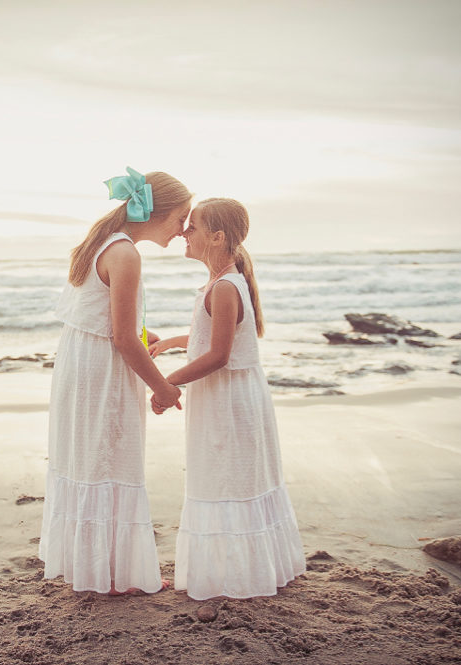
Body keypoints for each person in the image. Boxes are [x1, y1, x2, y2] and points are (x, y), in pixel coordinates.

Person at [39, 167, 192, 594]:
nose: (183, 231)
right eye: (181, 219)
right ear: (156, 213)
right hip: (102, 372)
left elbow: (107, 321)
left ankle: (94, 566)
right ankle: (115, 575)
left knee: (91, 459)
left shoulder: (106, 243)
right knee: (110, 457)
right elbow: (122, 339)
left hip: (81, 362)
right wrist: (161, 385)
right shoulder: (125, 254)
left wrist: (145, 335)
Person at [149, 197, 306, 600]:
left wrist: (168, 384)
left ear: (217, 237)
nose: (185, 231)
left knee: (226, 480)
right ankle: (242, 569)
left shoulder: (223, 287)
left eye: (194, 226)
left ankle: (237, 577)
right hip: (234, 395)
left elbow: (218, 356)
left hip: (227, 400)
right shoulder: (227, 281)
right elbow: (219, 338)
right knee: (230, 478)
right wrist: (172, 341)